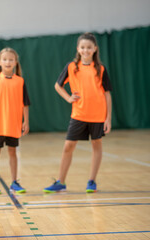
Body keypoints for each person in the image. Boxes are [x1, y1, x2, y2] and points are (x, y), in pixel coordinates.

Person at [43, 32, 112, 193]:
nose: (86, 50)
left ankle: (92, 181)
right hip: (78, 114)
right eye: (83, 47)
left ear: (95, 49)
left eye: (89, 47)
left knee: (97, 145)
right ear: (78, 49)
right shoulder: (71, 67)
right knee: (68, 146)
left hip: (98, 115)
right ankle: (61, 182)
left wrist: (108, 118)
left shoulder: (100, 69)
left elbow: (107, 94)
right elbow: (57, 85)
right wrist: (68, 98)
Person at [0, 47, 30, 195]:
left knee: (12, 152)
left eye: (11, 59)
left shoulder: (20, 81)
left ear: (16, 62)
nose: (8, 62)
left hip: (14, 123)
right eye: (5, 59)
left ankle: (14, 182)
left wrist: (26, 121)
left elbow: (25, 103)